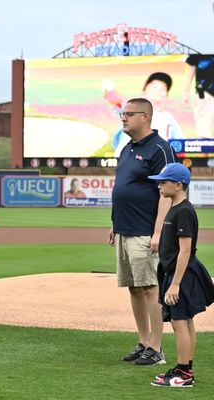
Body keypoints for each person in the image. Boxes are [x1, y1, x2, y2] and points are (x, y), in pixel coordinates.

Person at [109, 98, 176, 366]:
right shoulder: (127, 148)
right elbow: (122, 188)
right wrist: (114, 223)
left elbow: (168, 193)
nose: (123, 118)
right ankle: (144, 341)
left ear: (145, 116)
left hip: (145, 230)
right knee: (134, 288)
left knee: (150, 288)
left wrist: (159, 232)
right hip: (125, 228)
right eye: (122, 114)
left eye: (129, 114)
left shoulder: (160, 148)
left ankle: (157, 349)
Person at [147, 163, 214, 387]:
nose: (159, 186)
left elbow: (185, 251)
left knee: (179, 322)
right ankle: (185, 368)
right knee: (184, 321)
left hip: (181, 274)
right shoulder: (175, 208)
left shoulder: (184, 210)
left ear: (178, 185)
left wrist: (174, 284)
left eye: (163, 182)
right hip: (175, 272)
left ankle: (184, 375)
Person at [107, 72, 184, 156]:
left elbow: (180, 143)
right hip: (127, 161)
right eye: (154, 87)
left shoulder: (168, 118)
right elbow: (116, 100)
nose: (158, 90)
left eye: (163, 88)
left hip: (156, 163)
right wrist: (110, 89)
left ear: (166, 94)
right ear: (145, 89)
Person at [184, 55, 214, 138]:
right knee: (203, 122)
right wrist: (186, 92)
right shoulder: (195, 54)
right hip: (204, 92)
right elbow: (189, 74)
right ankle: (205, 146)